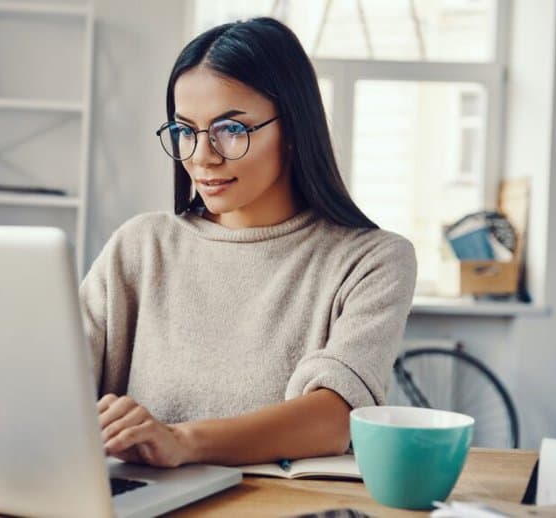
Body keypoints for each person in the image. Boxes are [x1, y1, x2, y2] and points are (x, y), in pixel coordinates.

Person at [79, 17, 417, 469]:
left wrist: (182, 440)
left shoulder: (372, 260)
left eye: (230, 130)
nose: (202, 156)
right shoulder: (139, 246)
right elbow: (55, 381)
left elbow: (333, 418)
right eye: (184, 131)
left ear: (294, 129)